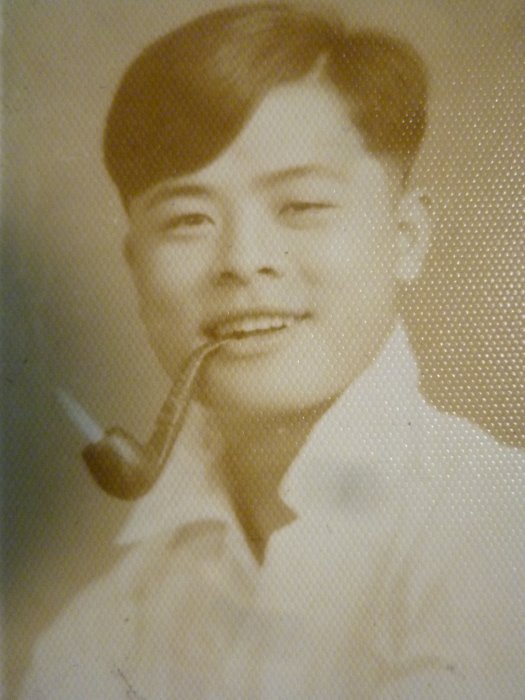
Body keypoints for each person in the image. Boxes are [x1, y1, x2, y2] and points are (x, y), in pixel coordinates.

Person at [21, 3, 524, 698]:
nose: (243, 259)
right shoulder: (101, 635)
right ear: (136, 270)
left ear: (405, 238)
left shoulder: (498, 530)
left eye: (302, 206)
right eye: (188, 219)